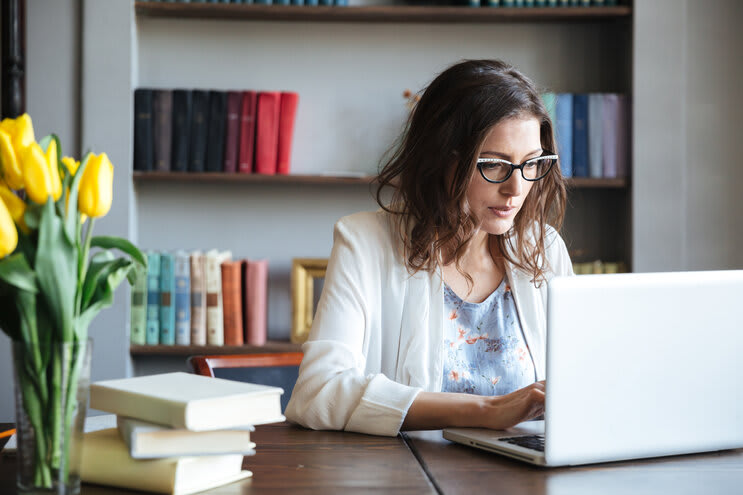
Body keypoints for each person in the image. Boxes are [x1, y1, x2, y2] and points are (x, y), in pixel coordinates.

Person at [285, 59, 573, 436]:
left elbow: (579, 384)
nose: (516, 189)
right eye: (494, 165)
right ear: (442, 160)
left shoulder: (544, 248)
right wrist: (487, 410)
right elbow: (318, 393)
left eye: (531, 164)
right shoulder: (364, 243)